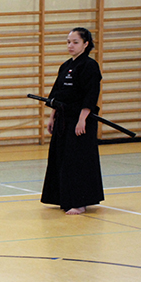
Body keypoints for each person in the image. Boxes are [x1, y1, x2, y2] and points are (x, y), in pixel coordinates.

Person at [41, 27, 104, 215]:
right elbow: (57, 95)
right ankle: (62, 198)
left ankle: (80, 202)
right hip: (63, 120)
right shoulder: (66, 66)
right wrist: (52, 117)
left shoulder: (90, 66)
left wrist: (82, 119)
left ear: (86, 44)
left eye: (75, 42)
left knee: (77, 161)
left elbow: (91, 95)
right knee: (61, 158)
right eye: (69, 42)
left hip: (80, 121)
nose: (71, 45)